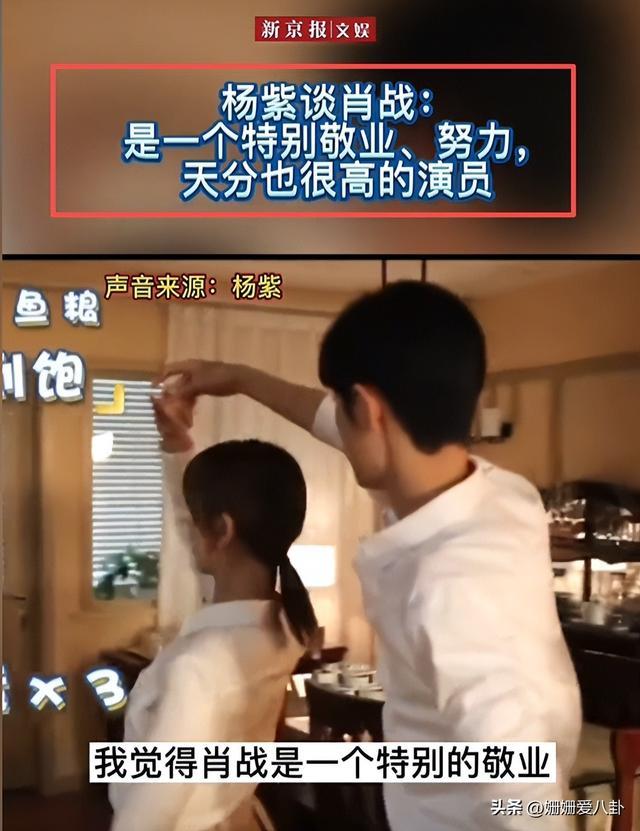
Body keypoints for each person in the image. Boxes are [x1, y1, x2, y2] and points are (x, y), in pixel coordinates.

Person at [161, 281, 582, 831]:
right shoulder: (503, 494)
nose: (334, 417)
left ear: (368, 408)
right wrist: (238, 378)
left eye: (343, 404)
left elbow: (527, 793)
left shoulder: (452, 591)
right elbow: (333, 420)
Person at [110, 392, 316, 831]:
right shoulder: (285, 625)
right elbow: (194, 526)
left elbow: (146, 817)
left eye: (199, 519)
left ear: (221, 531)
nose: (189, 528)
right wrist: (177, 444)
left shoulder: (198, 667)